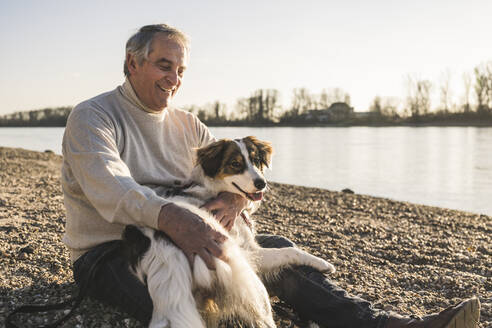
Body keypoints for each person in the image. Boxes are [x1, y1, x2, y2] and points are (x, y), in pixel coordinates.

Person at [62, 24, 480, 328]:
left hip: (191, 234)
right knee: (199, 308)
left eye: (182, 70)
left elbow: (234, 179)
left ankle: (383, 325)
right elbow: (111, 190)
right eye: (163, 65)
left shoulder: (189, 125)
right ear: (132, 63)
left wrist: (236, 200)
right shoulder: (94, 117)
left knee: (279, 251)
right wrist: (177, 220)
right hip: (113, 252)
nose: (174, 79)